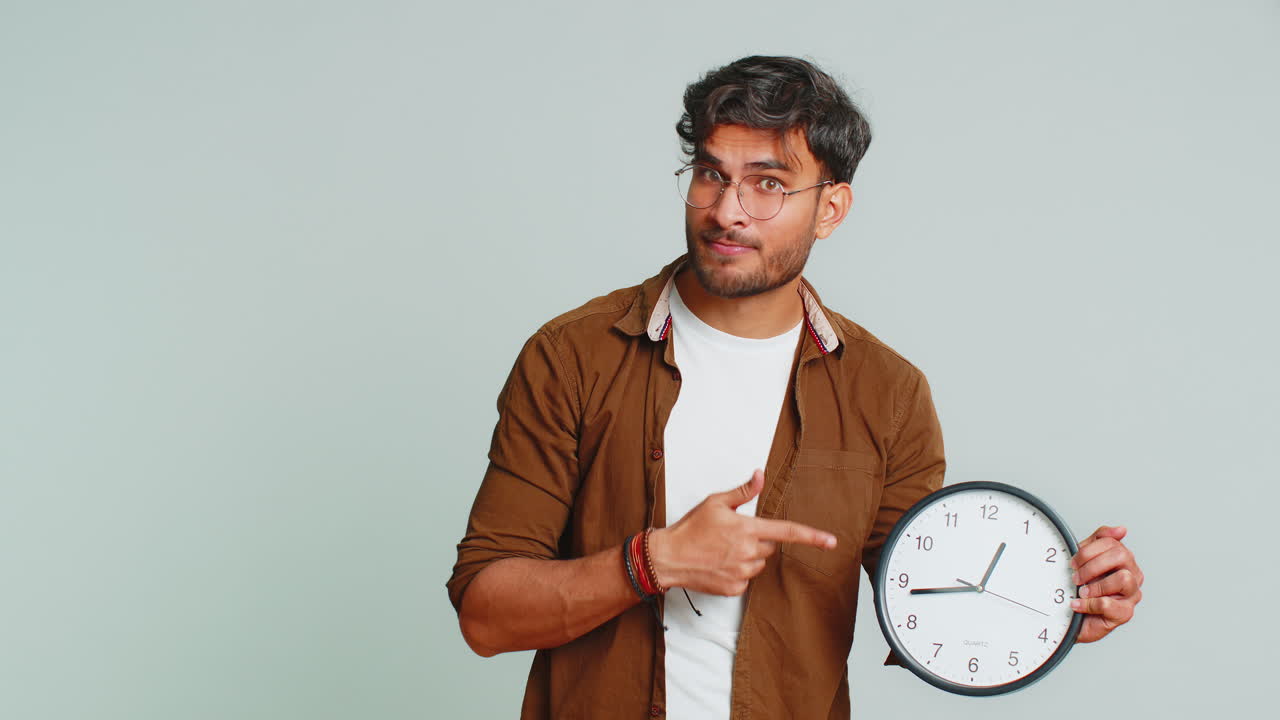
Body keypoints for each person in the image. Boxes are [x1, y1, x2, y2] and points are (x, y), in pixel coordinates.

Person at [446, 55, 1144, 719]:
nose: (728, 212)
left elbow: (928, 605)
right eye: (711, 175)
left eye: (769, 184)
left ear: (832, 209)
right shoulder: (575, 356)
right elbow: (485, 612)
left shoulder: (887, 393)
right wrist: (653, 562)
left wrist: (1056, 611)